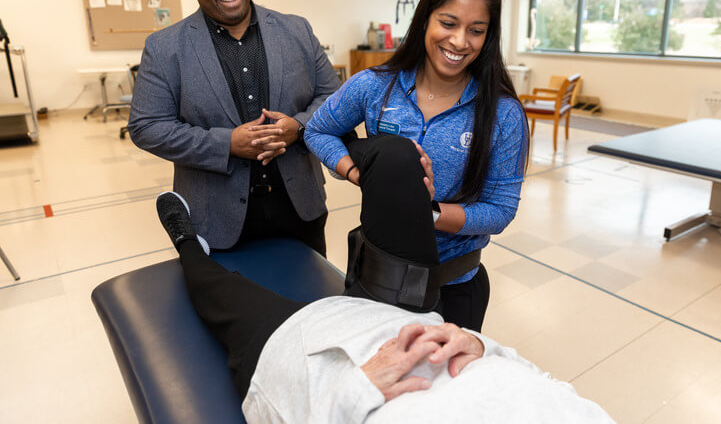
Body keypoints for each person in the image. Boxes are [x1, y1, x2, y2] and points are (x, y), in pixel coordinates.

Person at [154, 145, 614, 423]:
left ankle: (187, 244)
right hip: (398, 323)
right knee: (394, 156)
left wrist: (357, 389)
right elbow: (541, 379)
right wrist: (479, 346)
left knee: (217, 289)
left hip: (310, 364)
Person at [304, 0, 528, 331]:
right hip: (378, 277)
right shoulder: (375, 85)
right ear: (425, 18)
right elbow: (317, 130)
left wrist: (428, 211)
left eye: (476, 30)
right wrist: (360, 173)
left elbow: (500, 210)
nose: (459, 42)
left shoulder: (502, 114)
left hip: (455, 287)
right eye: (448, 23)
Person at [129, 0, 339, 257]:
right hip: (215, 218)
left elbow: (333, 99)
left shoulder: (297, 30)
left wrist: (297, 127)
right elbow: (146, 128)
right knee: (233, 307)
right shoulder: (165, 47)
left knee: (311, 305)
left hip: (301, 207)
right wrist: (227, 144)